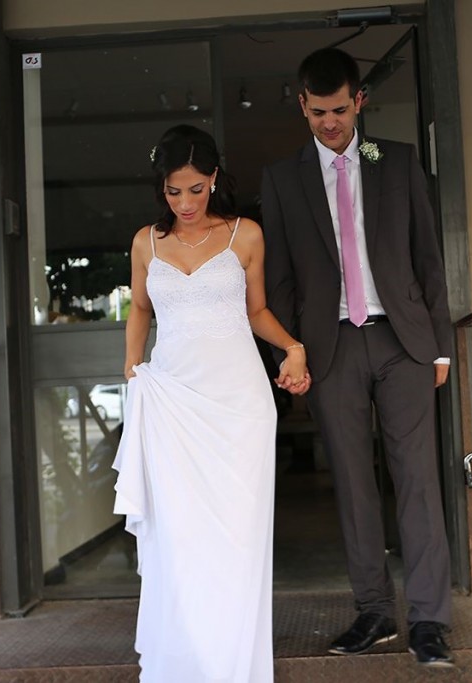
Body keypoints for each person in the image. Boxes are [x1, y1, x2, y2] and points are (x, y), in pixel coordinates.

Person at [260, 47, 454, 668]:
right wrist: (292, 349)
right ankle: (374, 611)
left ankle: (429, 620)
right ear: (302, 105)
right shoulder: (283, 179)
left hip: (404, 342)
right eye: (318, 112)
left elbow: (428, 257)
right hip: (330, 347)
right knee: (351, 484)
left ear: (359, 101)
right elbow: (279, 279)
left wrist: (441, 346)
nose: (330, 123)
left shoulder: (395, 160)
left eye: (340, 110)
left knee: (417, 479)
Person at [112, 124, 309, 683]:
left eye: (196, 189)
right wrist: (131, 365)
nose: (186, 202)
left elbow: (256, 311)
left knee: (237, 540)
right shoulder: (146, 243)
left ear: (214, 180)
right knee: (179, 540)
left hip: (239, 406)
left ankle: (234, 662)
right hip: (173, 403)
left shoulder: (246, 235)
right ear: (162, 189)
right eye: (174, 191)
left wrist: (293, 348)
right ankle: (187, 658)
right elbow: (140, 309)